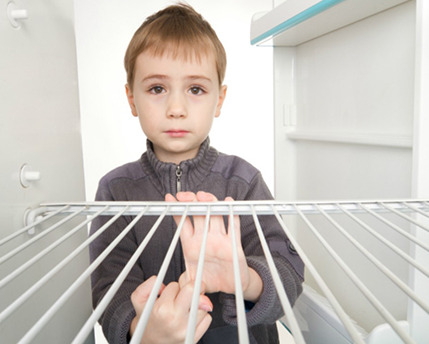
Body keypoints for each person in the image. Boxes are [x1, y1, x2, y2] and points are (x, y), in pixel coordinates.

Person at [89, 3, 304, 344]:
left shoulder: (243, 181)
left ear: (219, 99)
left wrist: (244, 279)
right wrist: (144, 331)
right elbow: (108, 287)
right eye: (157, 89)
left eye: (196, 89)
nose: (176, 109)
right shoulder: (117, 189)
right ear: (131, 98)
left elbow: (288, 270)